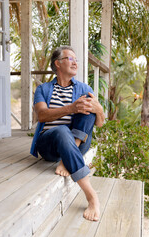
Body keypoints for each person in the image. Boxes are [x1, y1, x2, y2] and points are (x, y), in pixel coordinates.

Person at [30, 46, 105, 221]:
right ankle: (92, 196)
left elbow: (99, 123)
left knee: (90, 108)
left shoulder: (84, 88)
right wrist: (71, 108)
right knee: (63, 130)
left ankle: (68, 156)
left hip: (75, 142)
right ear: (57, 63)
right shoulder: (44, 89)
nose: (75, 62)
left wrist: (99, 110)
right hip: (49, 144)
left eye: (76, 60)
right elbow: (41, 115)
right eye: (70, 59)